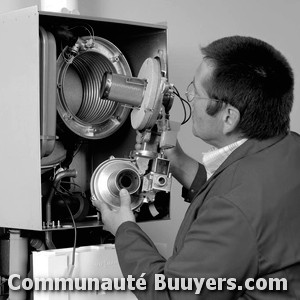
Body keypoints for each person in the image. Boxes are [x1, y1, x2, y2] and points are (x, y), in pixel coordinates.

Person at [92, 36, 300, 299]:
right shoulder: (288, 149)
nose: (187, 96)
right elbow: (245, 201)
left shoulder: (233, 210)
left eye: (195, 92)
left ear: (228, 117)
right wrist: (178, 162)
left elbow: (172, 295)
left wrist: (124, 229)